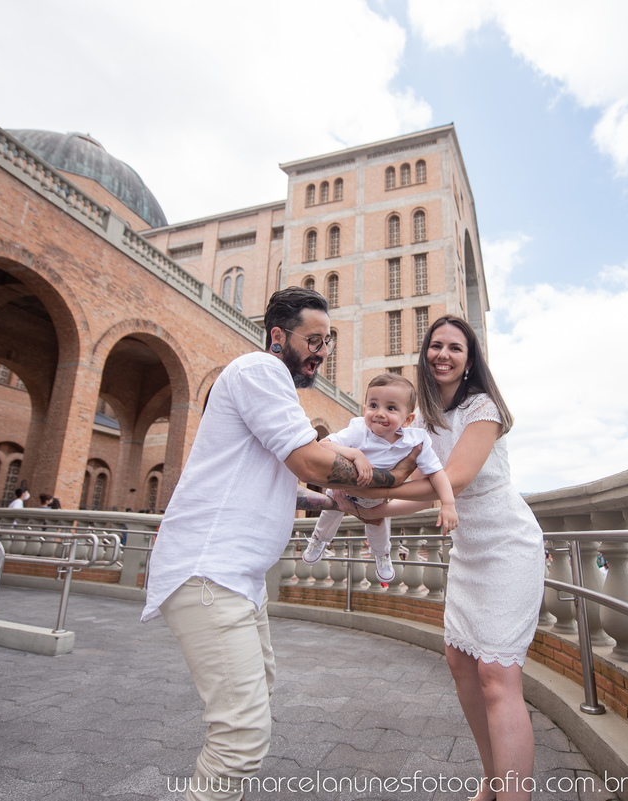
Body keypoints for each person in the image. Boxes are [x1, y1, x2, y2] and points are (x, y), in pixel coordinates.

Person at [141, 288, 419, 801]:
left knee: (254, 698)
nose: (322, 351)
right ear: (277, 337)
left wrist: (337, 504)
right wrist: (387, 475)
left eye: (328, 341)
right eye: (313, 339)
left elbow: (285, 484)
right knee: (241, 735)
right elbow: (311, 464)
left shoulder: (272, 393)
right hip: (211, 572)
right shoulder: (259, 370)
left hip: (238, 580)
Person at [350, 315, 544, 801]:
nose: (443, 354)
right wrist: (374, 511)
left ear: (470, 359)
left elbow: (453, 480)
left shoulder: (484, 407)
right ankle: (494, 779)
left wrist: (367, 484)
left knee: (498, 677)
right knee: (461, 664)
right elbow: (422, 493)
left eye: (455, 348)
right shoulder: (422, 422)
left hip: (507, 546)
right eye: (435, 346)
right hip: (468, 550)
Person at [300, 373, 457, 581]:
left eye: (391, 408)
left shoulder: (415, 441)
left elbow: (436, 473)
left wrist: (448, 503)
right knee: (330, 513)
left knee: (379, 527)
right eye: (373, 405)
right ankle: (319, 540)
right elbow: (323, 445)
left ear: (408, 419)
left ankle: (382, 555)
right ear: (365, 409)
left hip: (375, 496)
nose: (380, 413)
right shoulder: (359, 429)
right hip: (344, 487)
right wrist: (356, 454)